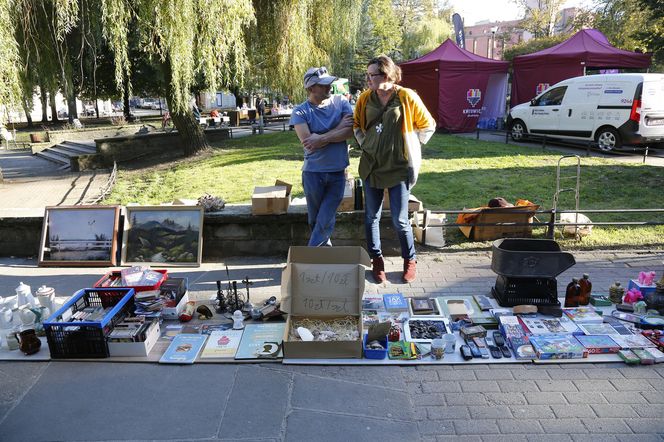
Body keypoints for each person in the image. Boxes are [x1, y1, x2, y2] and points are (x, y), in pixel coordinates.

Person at [353, 55, 435, 283]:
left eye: (373, 75)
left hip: (399, 168)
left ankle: (410, 260)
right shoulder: (364, 98)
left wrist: (409, 144)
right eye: (367, 75)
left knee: (400, 220)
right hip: (371, 166)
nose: (368, 79)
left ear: (387, 75)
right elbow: (357, 125)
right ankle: (376, 260)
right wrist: (366, 143)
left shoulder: (406, 96)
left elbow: (428, 124)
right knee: (371, 217)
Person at [289, 66, 354, 247]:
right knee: (316, 218)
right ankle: (323, 254)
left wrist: (322, 137)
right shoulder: (300, 112)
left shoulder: (341, 102)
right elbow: (309, 143)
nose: (329, 87)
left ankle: (310, 254)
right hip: (313, 174)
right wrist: (337, 128)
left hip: (337, 172)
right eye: (323, 85)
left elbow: (349, 132)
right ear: (311, 89)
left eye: (329, 83)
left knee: (325, 216)